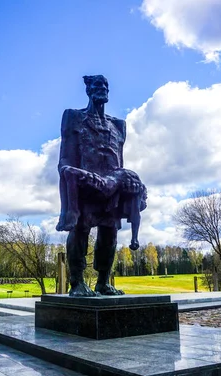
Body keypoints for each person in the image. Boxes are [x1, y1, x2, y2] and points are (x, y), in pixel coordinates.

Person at [56, 75, 147, 297]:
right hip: (86, 184)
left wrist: (126, 186)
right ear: (88, 90)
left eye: (106, 86)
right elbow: (66, 158)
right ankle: (77, 283)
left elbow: (120, 161)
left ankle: (103, 282)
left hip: (112, 187)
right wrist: (68, 182)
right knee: (80, 231)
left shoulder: (118, 125)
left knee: (109, 235)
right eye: (98, 85)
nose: (102, 89)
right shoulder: (74, 118)